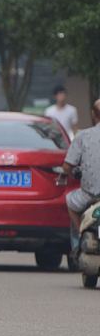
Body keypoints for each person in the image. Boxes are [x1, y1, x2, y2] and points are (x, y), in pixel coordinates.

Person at [63, 99, 100, 255]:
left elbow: (67, 166)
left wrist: (71, 173)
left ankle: (80, 234)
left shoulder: (83, 136)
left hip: (89, 195)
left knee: (70, 201)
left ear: (93, 114)